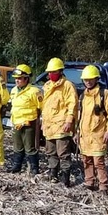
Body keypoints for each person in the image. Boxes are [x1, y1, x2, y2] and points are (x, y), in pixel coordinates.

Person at [77, 65, 108, 195]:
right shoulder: (83, 96)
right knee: (86, 160)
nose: (88, 82)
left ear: (97, 79)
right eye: (86, 79)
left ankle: (103, 186)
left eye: (90, 79)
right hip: (85, 135)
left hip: (98, 134)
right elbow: (80, 116)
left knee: (98, 162)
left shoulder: (105, 94)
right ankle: (89, 182)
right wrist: (77, 132)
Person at [41, 57, 78, 187]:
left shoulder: (67, 86)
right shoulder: (47, 86)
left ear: (60, 72)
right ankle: (53, 175)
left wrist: (69, 121)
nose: (51, 74)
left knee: (63, 153)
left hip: (62, 126)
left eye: (54, 72)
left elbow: (72, 105)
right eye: (49, 72)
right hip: (49, 126)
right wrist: (43, 122)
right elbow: (45, 106)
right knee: (50, 152)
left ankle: (65, 178)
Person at [6, 64, 43, 174]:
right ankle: (16, 166)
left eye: (19, 78)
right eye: (16, 78)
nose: (17, 81)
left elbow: (41, 106)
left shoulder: (34, 91)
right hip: (16, 122)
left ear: (26, 78)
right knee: (17, 146)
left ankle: (34, 167)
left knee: (29, 147)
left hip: (29, 123)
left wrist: (39, 121)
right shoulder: (13, 90)